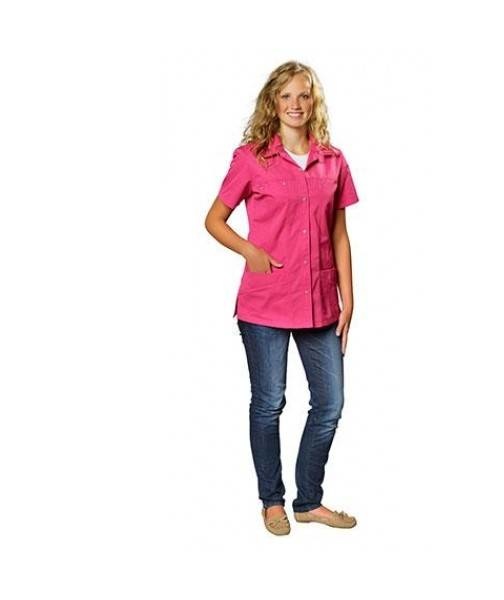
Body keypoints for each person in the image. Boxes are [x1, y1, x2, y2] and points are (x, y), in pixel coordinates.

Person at [205, 61, 360, 535]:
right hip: (266, 303)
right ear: (273, 103)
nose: (296, 104)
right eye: (286, 96)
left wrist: (349, 298)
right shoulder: (251, 158)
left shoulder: (332, 160)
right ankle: (272, 501)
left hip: (320, 302)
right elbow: (214, 220)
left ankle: (309, 501)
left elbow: (339, 233)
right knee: (269, 402)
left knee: (330, 404)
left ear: (314, 102)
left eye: (304, 95)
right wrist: (249, 250)